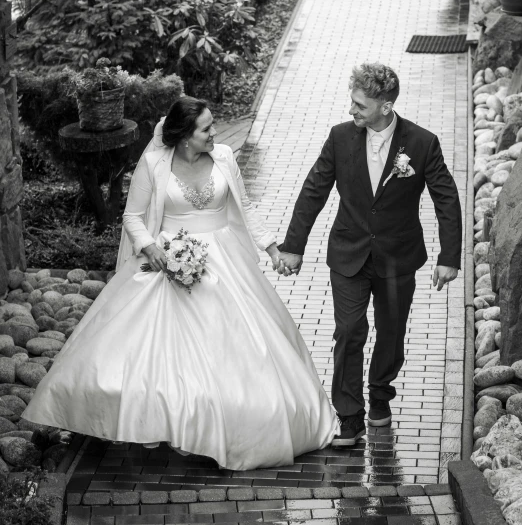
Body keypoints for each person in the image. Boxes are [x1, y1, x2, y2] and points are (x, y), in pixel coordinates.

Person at [22, 97, 338, 470]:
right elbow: (134, 216)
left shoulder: (223, 157)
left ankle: (226, 429)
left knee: (238, 348)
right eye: (206, 128)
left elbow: (246, 207)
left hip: (226, 264)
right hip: (168, 261)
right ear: (185, 136)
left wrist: (272, 249)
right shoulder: (155, 163)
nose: (214, 133)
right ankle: (173, 424)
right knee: (160, 357)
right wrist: (151, 248)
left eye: (212, 125)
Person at [277, 63, 462, 448]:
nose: (352, 110)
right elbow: (314, 189)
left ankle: (380, 393)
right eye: (352, 102)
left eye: (360, 104)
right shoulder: (340, 137)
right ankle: (349, 415)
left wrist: (450, 256)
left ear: (386, 106)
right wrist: (293, 246)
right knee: (348, 330)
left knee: (391, 335)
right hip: (348, 252)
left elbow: (446, 198)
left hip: (398, 256)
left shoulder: (423, 143)